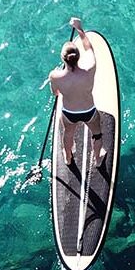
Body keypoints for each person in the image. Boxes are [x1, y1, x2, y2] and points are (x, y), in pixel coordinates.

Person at [49, 17, 107, 167]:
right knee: (97, 134)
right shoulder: (90, 70)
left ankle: (68, 158)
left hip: (69, 113)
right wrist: (80, 29)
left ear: (63, 60)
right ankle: (98, 160)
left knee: (68, 135)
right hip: (89, 111)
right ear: (78, 57)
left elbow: (55, 93)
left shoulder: (55, 76)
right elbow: (89, 49)